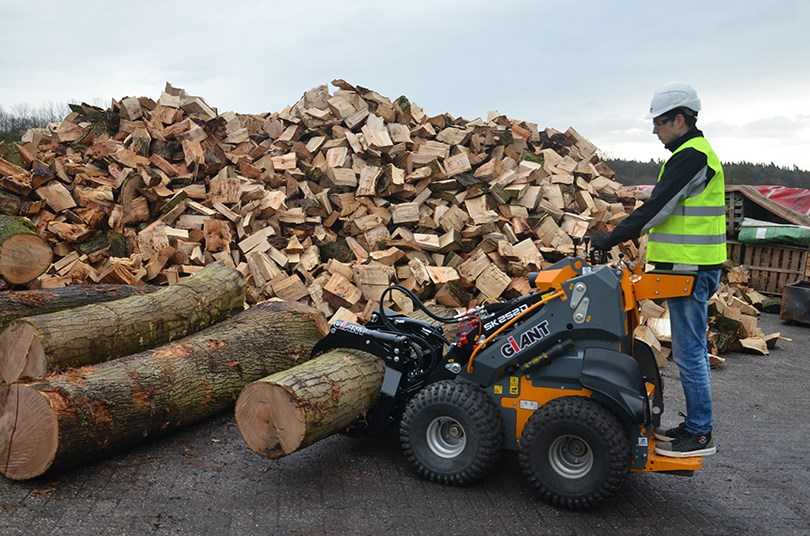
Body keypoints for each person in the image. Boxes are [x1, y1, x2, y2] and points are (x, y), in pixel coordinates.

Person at [591, 82, 725, 457]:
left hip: (690, 270)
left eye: (659, 122)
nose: (655, 130)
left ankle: (699, 433)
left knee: (690, 352)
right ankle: (695, 426)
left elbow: (658, 208)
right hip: (684, 268)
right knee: (689, 349)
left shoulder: (692, 156)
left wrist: (612, 237)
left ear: (679, 119)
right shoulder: (687, 154)